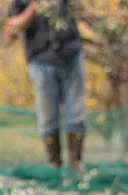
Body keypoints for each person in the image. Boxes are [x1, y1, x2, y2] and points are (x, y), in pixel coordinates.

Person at [5, 0, 87, 172]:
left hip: (70, 54)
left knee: (76, 112)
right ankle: (55, 165)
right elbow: (10, 30)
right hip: (41, 60)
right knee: (48, 116)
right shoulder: (20, 2)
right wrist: (34, 7)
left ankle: (76, 163)